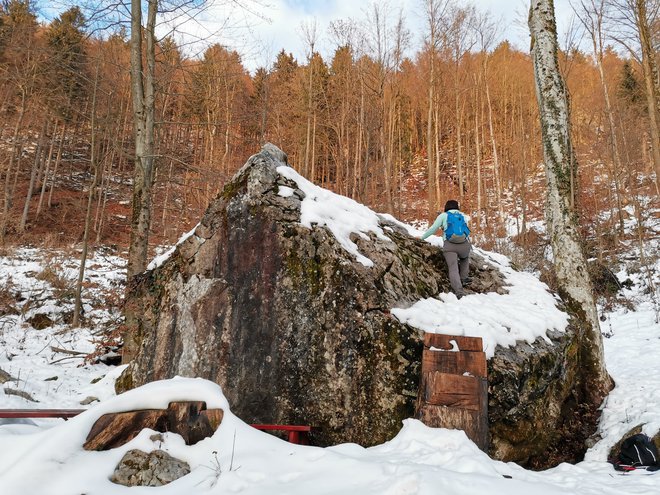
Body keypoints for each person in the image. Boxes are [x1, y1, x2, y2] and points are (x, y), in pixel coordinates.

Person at [420, 199, 472, 299]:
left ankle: (459, 291)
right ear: (457, 207)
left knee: (453, 268)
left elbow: (433, 229)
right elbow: (466, 231)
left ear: (446, 207)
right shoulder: (463, 216)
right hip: (464, 244)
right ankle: (464, 278)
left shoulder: (443, 215)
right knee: (464, 258)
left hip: (450, 245)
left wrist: (422, 238)